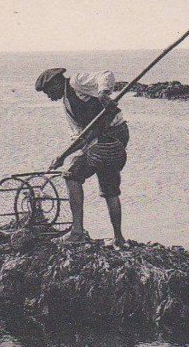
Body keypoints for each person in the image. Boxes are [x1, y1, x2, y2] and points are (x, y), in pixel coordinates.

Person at [35, 67, 129, 246]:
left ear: (56, 82)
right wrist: (63, 156)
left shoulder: (76, 82)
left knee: (72, 175)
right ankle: (119, 238)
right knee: (109, 186)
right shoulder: (67, 104)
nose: (48, 96)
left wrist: (103, 94)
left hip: (112, 135)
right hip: (107, 137)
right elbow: (80, 138)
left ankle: (77, 233)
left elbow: (105, 74)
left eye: (48, 91)